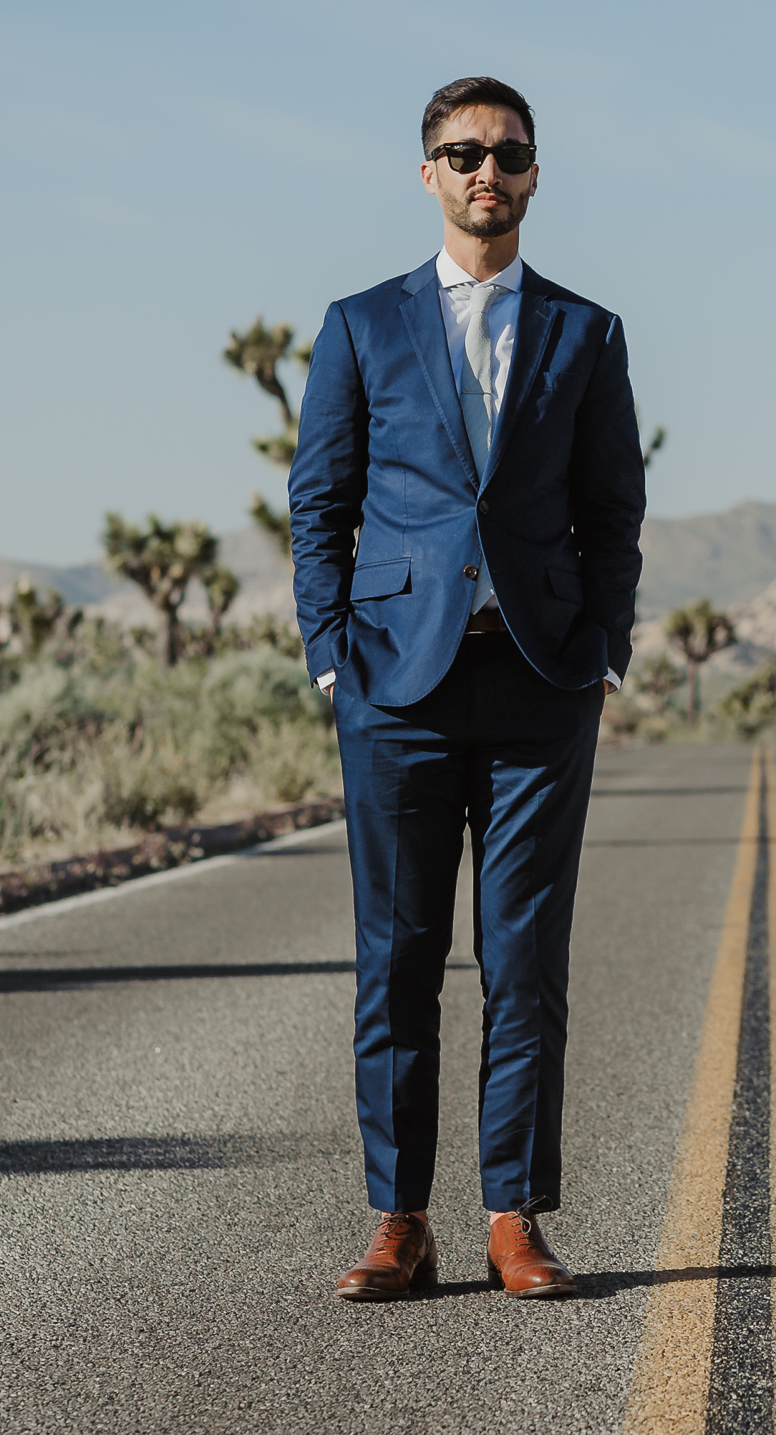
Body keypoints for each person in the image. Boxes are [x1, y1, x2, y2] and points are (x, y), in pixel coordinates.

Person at [289, 76, 644, 1301]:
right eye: (462, 153)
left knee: (524, 959)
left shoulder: (586, 333)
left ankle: (512, 1213)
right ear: (426, 172)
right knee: (395, 955)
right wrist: (331, 651)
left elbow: (612, 509)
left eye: (507, 153)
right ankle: (400, 1216)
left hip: (540, 679)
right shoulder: (361, 324)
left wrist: (605, 641)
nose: (485, 172)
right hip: (393, 682)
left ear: (536, 173)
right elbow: (319, 502)